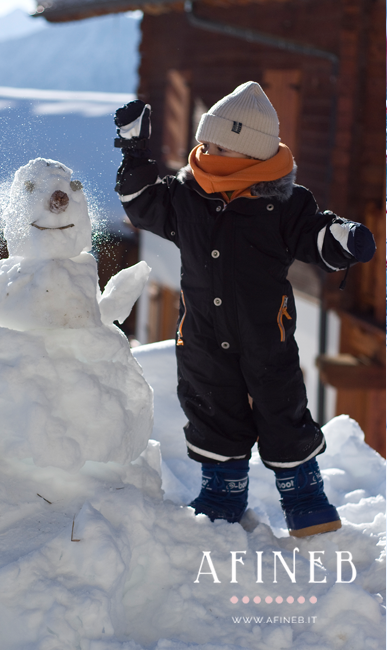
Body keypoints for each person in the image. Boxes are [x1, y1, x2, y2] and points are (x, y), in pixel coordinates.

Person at [113, 81, 376, 537]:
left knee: (282, 407)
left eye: (216, 143)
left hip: (265, 334)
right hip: (202, 334)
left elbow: (315, 233)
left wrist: (343, 238)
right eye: (204, 139)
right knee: (211, 407)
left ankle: (304, 493)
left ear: (248, 154)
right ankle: (222, 491)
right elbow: (142, 206)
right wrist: (135, 155)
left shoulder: (284, 204)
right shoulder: (185, 195)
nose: (203, 148)